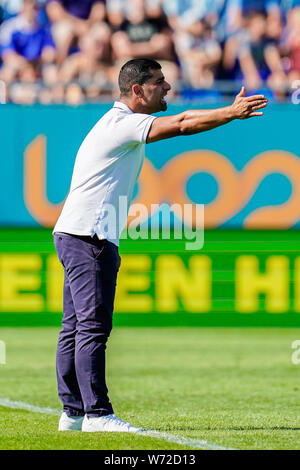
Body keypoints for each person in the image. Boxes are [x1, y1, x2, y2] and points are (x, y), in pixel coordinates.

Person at [53, 57, 268, 433]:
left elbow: (182, 117)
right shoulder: (121, 124)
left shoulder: (113, 122)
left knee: (75, 326)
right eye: (159, 82)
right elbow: (184, 123)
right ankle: (97, 415)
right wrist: (231, 112)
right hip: (89, 236)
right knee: (91, 326)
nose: (167, 87)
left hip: (74, 232)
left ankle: (73, 413)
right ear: (137, 91)